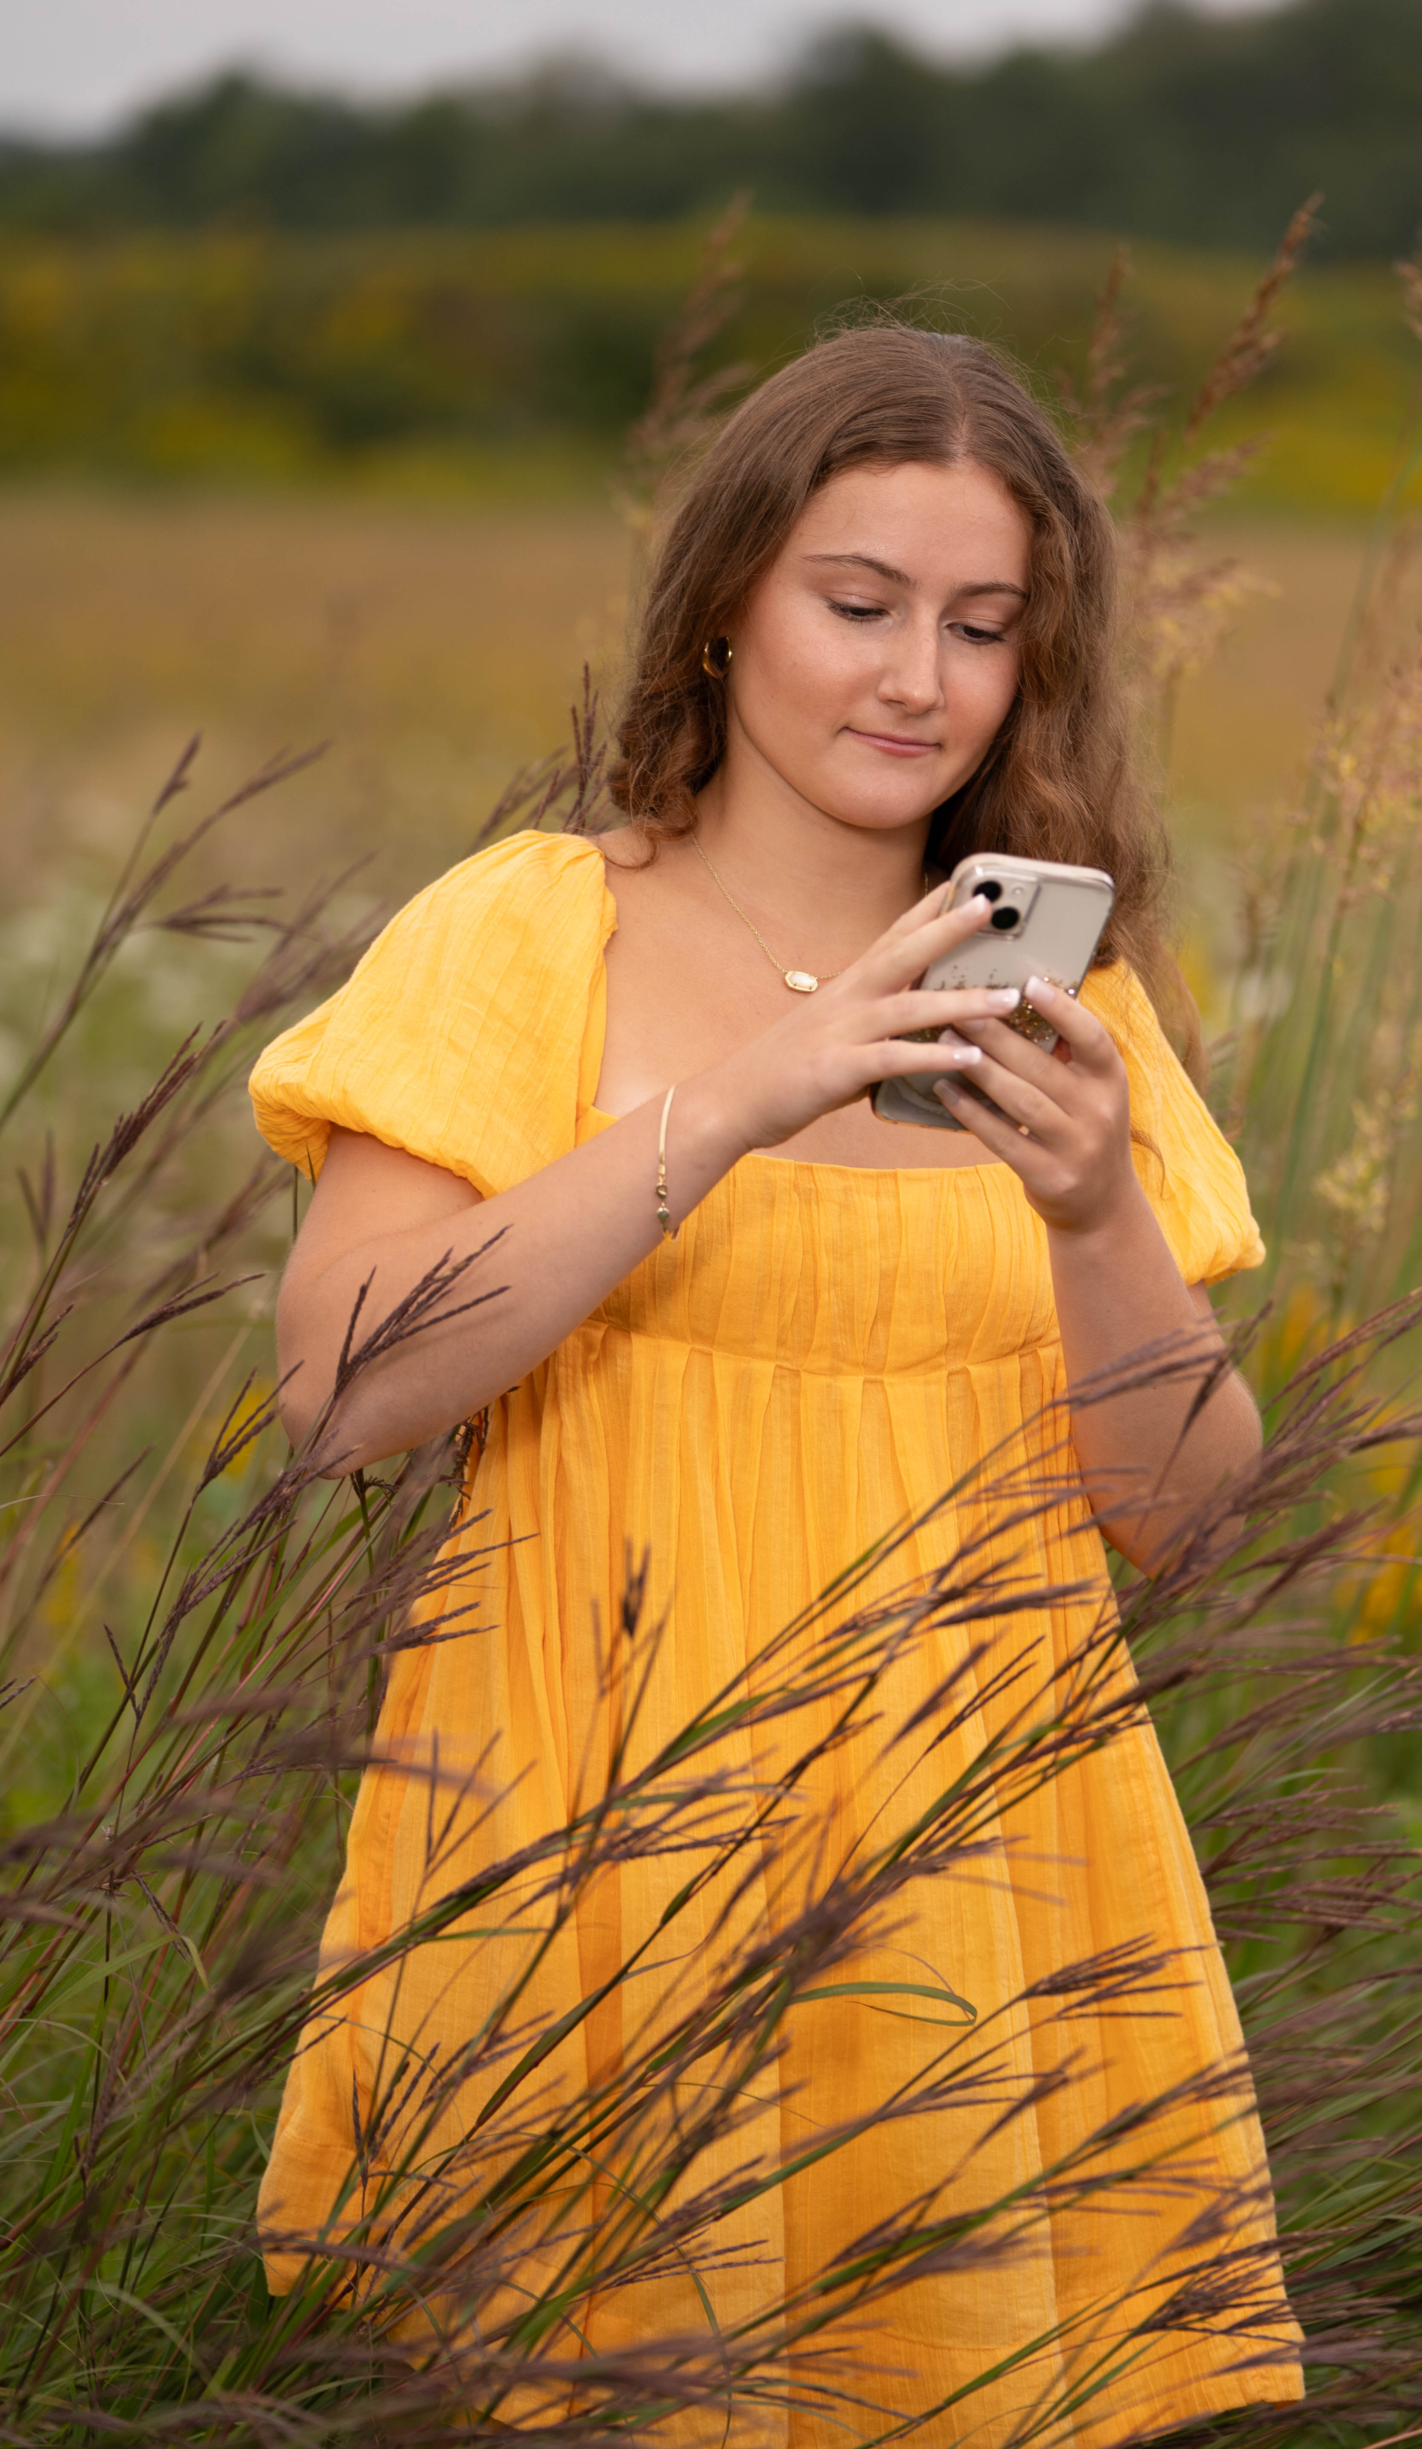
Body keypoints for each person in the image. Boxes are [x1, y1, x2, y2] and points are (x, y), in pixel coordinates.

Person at [249, 324, 1304, 2438]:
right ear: (726, 604)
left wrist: (1097, 1214)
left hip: (981, 1869)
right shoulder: (532, 928)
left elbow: (1181, 1523)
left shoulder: (1071, 1008)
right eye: (858, 602)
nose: (917, 676)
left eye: (981, 625)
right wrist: (734, 1100)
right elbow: (343, 1391)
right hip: (590, 1839)